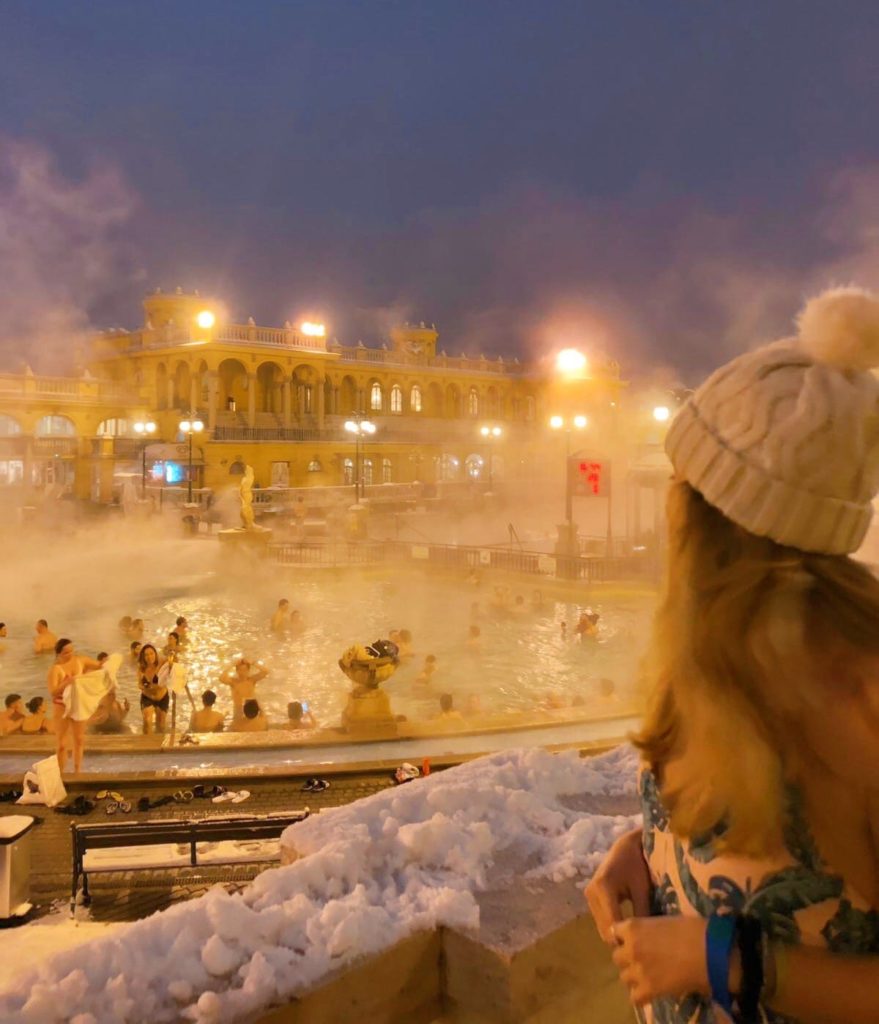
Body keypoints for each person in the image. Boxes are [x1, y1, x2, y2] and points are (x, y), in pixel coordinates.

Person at [586, 286, 879, 1022]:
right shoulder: (710, 665)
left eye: (679, 480)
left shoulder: (863, 693)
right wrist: (653, 855)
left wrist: (728, 962)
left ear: (708, 515)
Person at [47, 638, 103, 773]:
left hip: (78, 704)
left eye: (72, 650)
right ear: (58, 654)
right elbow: (53, 692)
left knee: (79, 739)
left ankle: (77, 771)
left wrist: (108, 663)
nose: (70, 654)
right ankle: (61, 773)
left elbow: (99, 666)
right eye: (66, 652)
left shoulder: (80, 660)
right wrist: (66, 683)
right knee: (61, 744)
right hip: (61, 706)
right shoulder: (55, 670)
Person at [137, 643, 170, 734]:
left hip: (162, 697)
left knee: (161, 726)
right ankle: (147, 744)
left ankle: (159, 745)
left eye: (151, 653)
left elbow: (173, 664)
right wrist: (144, 686)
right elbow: (139, 684)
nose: (149, 656)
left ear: (155, 654)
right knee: (147, 721)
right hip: (148, 696)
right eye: (146, 655)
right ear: (143, 657)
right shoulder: (141, 668)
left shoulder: (162, 663)